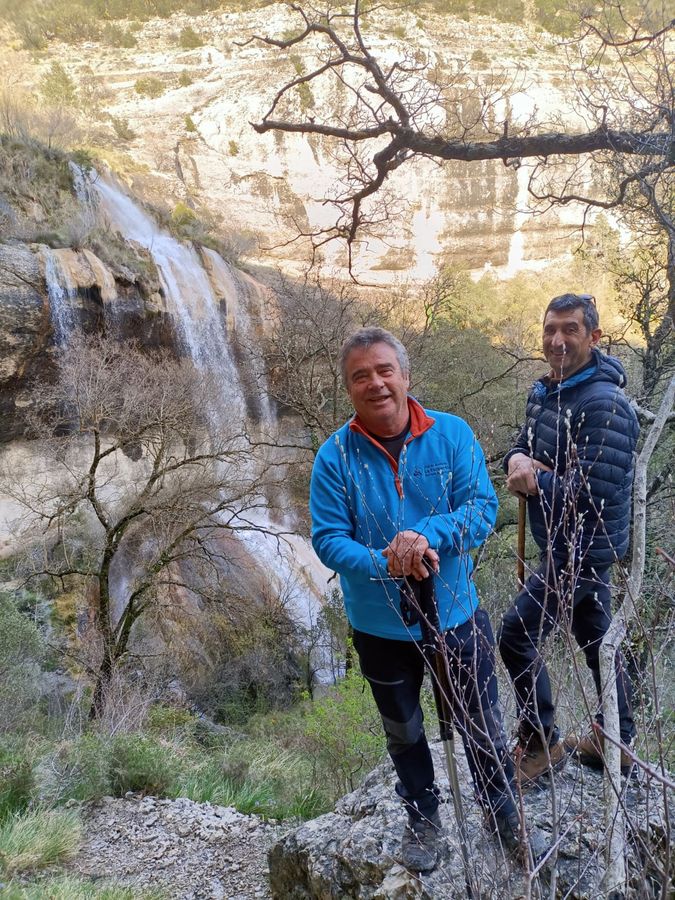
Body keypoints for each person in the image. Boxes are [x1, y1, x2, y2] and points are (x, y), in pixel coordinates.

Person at [310, 326, 543, 873]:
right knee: (403, 727)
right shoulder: (334, 457)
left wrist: (425, 536)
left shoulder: (451, 434)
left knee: (481, 719)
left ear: (406, 375)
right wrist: (386, 561)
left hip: (456, 613)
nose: (375, 383)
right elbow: (328, 538)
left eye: (384, 370)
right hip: (379, 626)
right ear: (349, 388)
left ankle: (501, 809)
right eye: (360, 376)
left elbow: (481, 509)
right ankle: (423, 813)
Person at [498, 293, 639, 787]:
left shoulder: (605, 405)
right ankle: (616, 739)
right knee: (597, 637)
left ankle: (541, 743)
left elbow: (593, 495)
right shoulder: (547, 391)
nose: (557, 340)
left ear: (593, 337)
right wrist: (518, 460)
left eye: (570, 330)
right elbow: (524, 445)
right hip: (559, 539)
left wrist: (537, 479)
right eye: (550, 329)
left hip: (583, 547)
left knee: (516, 635)